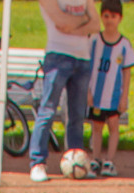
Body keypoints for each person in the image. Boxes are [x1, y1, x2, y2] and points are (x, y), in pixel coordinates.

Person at [29, 0, 97, 183]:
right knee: (48, 110)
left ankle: (76, 159)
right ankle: (37, 162)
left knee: (76, 114)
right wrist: (83, 20)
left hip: (82, 59)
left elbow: (96, 24)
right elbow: (61, 22)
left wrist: (73, 26)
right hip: (58, 56)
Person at [84, 0, 134, 179]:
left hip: (113, 96)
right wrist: (88, 91)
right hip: (97, 95)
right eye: (106, 16)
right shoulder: (94, 41)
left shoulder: (124, 44)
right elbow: (87, 68)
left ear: (120, 18)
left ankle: (110, 160)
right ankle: (96, 158)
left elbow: (127, 71)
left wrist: (124, 97)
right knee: (96, 127)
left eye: (113, 16)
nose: (109, 20)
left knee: (113, 126)